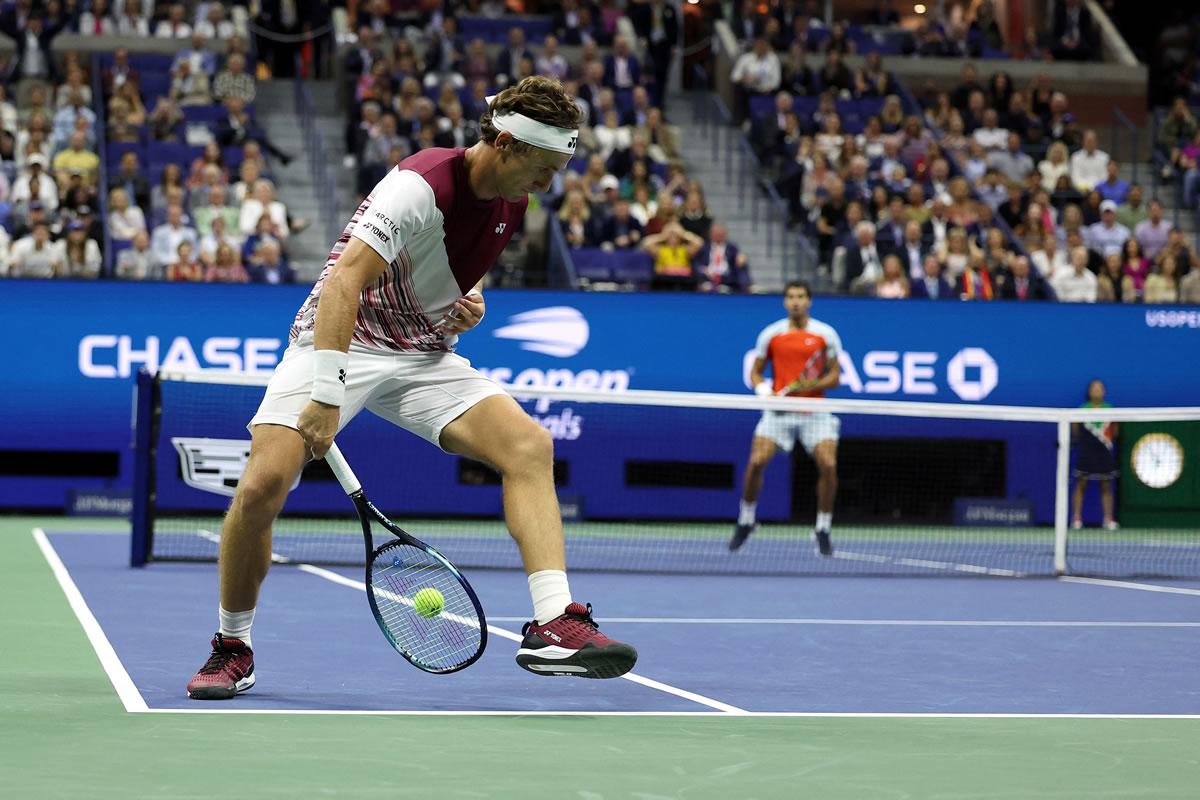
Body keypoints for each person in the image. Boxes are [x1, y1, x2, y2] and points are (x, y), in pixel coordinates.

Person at [186, 76, 637, 700]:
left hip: (421, 354)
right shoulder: (419, 184)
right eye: (544, 167)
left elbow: (440, 269)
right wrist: (325, 393)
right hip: (340, 341)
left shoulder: (514, 199)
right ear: (505, 143)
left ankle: (553, 621)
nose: (549, 183)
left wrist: (467, 301)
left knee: (528, 446)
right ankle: (233, 644)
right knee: (262, 485)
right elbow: (346, 280)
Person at [730, 281, 841, 557]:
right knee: (756, 462)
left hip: (815, 412)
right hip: (778, 413)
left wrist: (810, 384)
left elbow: (835, 376)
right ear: (785, 302)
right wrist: (763, 389)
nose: (795, 302)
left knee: (828, 464)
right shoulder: (771, 334)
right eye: (791, 297)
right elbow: (756, 372)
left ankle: (823, 528)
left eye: (801, 297)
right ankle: (746, 519)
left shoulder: (825, 334)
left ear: (809, 301)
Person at [1071, 379, 1118, 530]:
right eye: (1094, 388)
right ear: (1089, 391)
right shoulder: (1082, 409)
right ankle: (1077, 518)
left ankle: (1108, 519)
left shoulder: (1110, 409)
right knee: (1081, 484)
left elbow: (1115, 431)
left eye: (1100, 388)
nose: (1097, 391)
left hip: (1104, 452)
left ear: (1104, 391)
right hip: (1087, 452)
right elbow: (1076, 430)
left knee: (1105, 485)